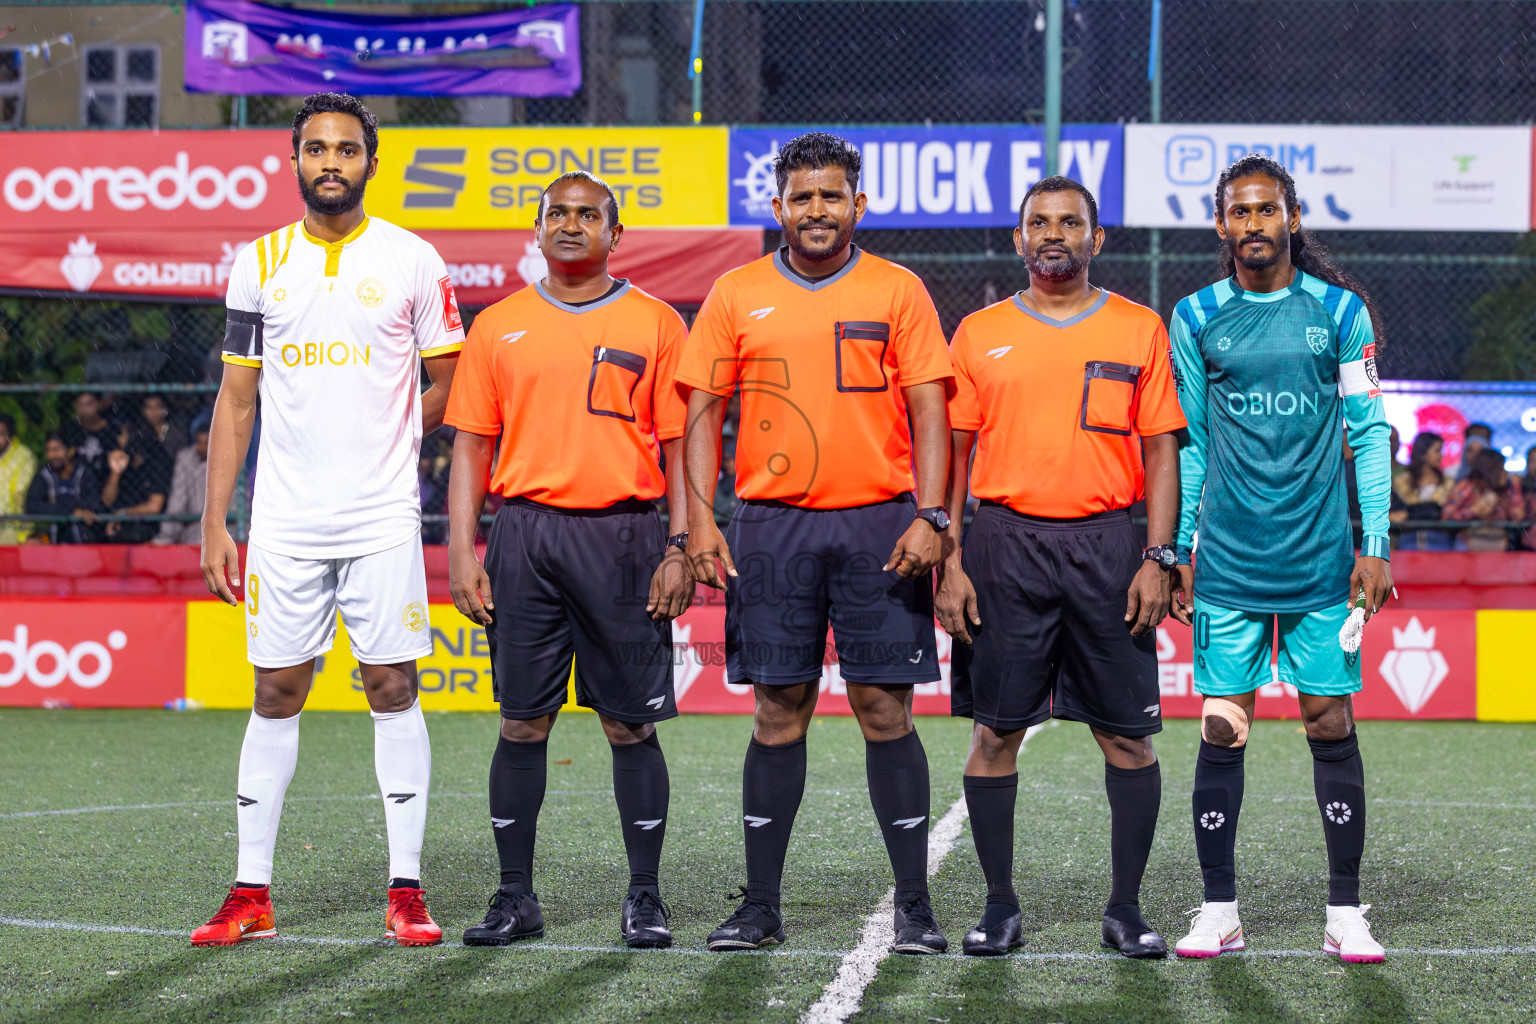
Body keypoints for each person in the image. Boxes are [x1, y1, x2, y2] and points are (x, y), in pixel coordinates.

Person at [191, 93, 463, 948]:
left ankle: (408, 891)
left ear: (372, 163)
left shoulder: (415, 260)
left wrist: (393, 435)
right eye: (317, 149)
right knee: (276, 690)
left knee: (393, 686)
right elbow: (237, 401)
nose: (332, 162)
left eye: (348, 148)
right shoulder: (258, 262)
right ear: (296, 160)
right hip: (283, 525)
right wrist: (215, 522)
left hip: (382, 518)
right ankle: (250, 894)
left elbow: (450, 379)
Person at [679, 132, 955, 954]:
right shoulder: (735, 293)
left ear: (858, 204)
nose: (817, 210)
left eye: (832, 196)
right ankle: (759, 906)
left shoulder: (899, 289)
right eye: (802, 197)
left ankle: (914, 905)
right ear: (778, 208)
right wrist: (699, 519)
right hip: (774, 525)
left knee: (882, 709)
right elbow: (702, 412)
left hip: (881, 524)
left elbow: (931, 410)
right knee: (776, 710)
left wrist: (933, 515)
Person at [935, 176, 1186, 959]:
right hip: (1003, 546)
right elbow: (954, 453)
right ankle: (1000, 907)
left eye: (1070, 222)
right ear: (1018, 240)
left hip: (1111, 546)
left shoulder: (1140, 328)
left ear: (1096, 239)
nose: (1054, 233)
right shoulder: (977, 332)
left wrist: (1159, 554)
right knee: (994, 734)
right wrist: (948, 556)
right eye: (1039, 222)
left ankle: (1126, 910)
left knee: (1128, 740)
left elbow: (1161, 452)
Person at [445, 171, 693, 950]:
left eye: (590, 215)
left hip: (624, 536)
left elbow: (682, 445)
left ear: (616, 235)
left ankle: (644, 897)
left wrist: (680, 546)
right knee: (523, 721)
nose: (572, 224)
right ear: (537, 228)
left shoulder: (656, 322)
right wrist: (462, 547)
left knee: (628, 725)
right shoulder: (500, 324)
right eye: (558, 213)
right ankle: (515, 897)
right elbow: (471, 446)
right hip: (525, 536)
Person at [1168, 155, 1393, 964]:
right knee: (1222, 730)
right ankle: (1218, 908)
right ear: (1221, 225)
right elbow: (1189, 443)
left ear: (1292, 217)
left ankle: (1344, 910)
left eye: (1268, 210)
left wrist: (1375, 544)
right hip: (1228, 562)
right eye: (1240, 212)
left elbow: (1368, 432)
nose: (1254, 224)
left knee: (1328, 720)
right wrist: (1179, 549)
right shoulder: (1194, 316)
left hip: (1320, 562)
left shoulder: (1340, 311)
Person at [24, 433, 102, 544]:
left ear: (71, 451)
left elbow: (93, 504)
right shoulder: (44, 475)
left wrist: (58, 503)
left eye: (56, 450)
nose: (51, 455)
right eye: (48, 451)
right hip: (53, 541)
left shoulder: (84, 474)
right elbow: (32, 505)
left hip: (85, 541)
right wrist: (70, 510)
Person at [102, 425, 172, 544]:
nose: (119, 439)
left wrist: (123, 513)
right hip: (121, 525)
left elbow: (154, 506)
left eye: (122, 435)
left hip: (149, 527)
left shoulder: (156, 463)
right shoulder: (124, 461)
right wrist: (116, 473)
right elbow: (107, 500)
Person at [1444, 448, 1523, 552]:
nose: (1504, 472)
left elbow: (1518, 517)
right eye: (1500, 468)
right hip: (1469, 545)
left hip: (1500, 545)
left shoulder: (1507, 489)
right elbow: (1447, 516)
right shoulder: (1467, 486)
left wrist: (1512, 489)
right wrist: (1474, 510)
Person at [1393, 432, 1453, 551]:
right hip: (1408, 540)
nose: (1441, 456)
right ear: (1423, 453)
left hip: (1440, 541)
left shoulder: (1448, 483)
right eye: (1437, 451)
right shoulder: (1402, 481)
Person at [154, 427, 210, 545]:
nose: (202, 447)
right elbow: (177, 501)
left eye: (207, 442)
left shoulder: (228, 458)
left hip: (226, 530)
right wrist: (166, 536)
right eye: (198, 442)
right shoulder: (186, 459)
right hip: (193, 530)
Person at [0, 413, 38, 545]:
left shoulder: (24, 456)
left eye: (1, 434)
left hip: (16, 526)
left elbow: (20, 490)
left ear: (11, 436)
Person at [64, 391, 117, 481]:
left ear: (99, 404)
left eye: (89, 404)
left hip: (106, 478)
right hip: (76, 481)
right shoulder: (70, 430)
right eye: (80, 405)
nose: (84, 409)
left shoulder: (113, 429)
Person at [139, 393, 189, 463]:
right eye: (149, 407)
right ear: (143, 411)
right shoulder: (140, 433)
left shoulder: (175, 433)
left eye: (158, 406)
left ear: (165, 409)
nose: (153, 412)